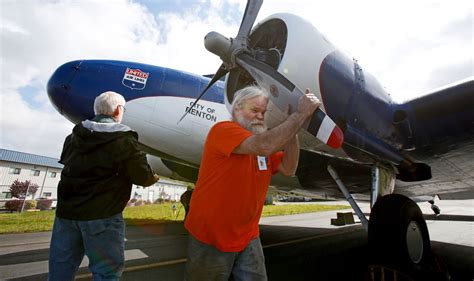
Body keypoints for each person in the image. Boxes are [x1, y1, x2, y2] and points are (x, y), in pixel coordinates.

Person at [184, 85, 320, 280]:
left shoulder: (260, 147)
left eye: (263, 112)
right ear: (237, 108)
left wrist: (293, 129)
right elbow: (265, 145)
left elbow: (289, 168)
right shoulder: (223, 130)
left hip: (247, 234)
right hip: (211, 234)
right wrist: (299, 115)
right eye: (254, 110)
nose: (260, 116)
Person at [48, 91, 159, 281]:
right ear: (117, 110)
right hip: (102, 216)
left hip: (66, 216)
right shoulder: (124, 139)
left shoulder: (73, 137)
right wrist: (152, 178)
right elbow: (141, 176)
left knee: (60, 270)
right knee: (106, 273)